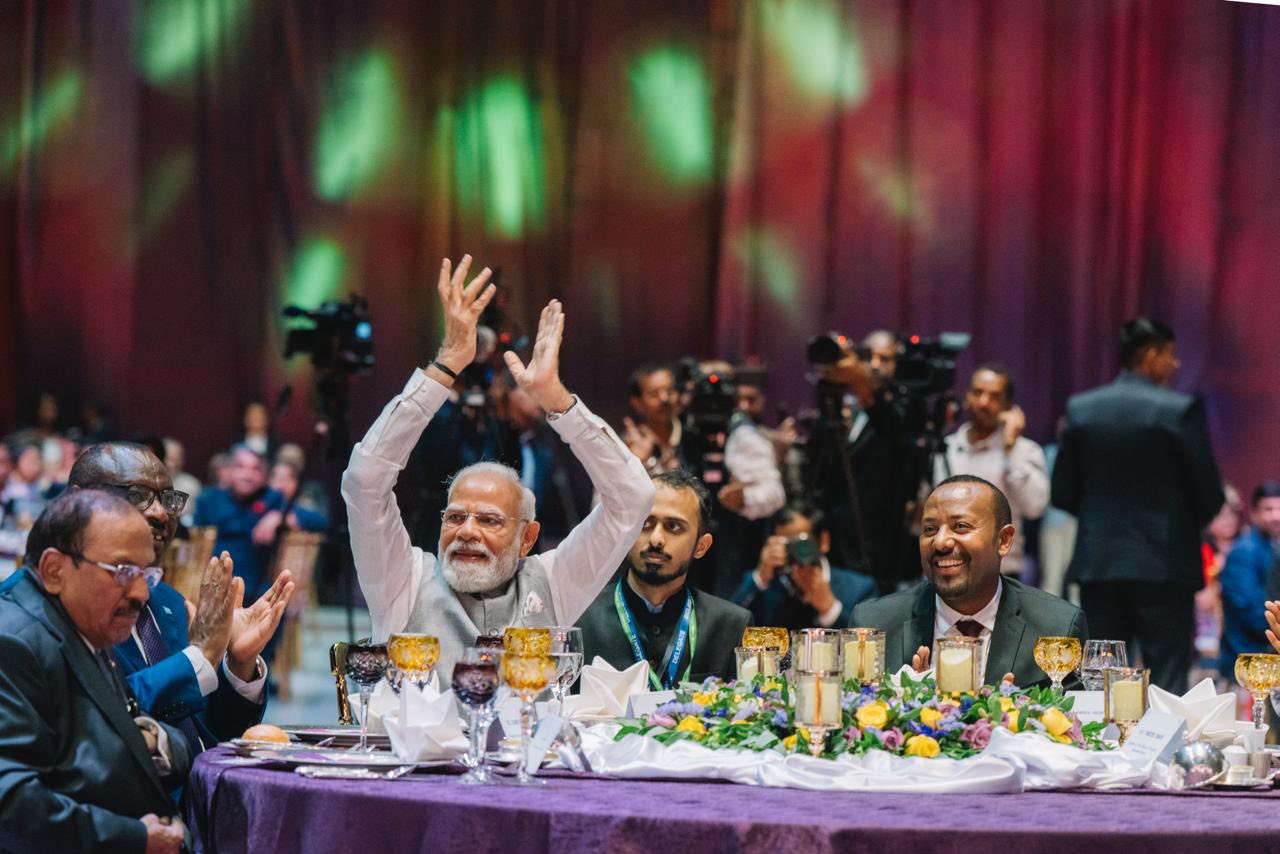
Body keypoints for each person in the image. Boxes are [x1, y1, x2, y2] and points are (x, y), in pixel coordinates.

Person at [341, 255, 654, 679]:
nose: (467, 531)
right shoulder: (403, 580)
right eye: (455, 517)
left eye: (489, 520)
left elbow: (633, 498)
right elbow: (365, 481)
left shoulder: (554, 581)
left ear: (528, 538)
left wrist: (557, 401)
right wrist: (447, 364)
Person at [61, 442, 289, 751]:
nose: (160, 513)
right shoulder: (61, 604)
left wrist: (238, 665)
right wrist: (200, 656)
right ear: (77, 501)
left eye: (167, 499)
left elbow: (210, 734)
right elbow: (100, 715)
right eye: (137, 495)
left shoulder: (169, 602)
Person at [0, 490, 188, 853]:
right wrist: (134, 838)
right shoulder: (13, 643)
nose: (141, 593)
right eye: (123, 572)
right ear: (55, 570)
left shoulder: (81, 624)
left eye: (145, 573)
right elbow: (9, 801)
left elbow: (136, 730)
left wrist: (150, 738)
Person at [1051, 318, 1223, 693]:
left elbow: (1062, 492)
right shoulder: (1178, 410)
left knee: (1097, 681)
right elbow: (1210, 494)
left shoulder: (1082, 409)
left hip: (1100, 563)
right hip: (1166, 565)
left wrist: (1101, 522)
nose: (1175, 364)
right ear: (1150, 354)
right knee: (1168, 683)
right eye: (1171, 355)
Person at [852, 475, 1087, 688]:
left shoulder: (1057, 629)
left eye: (961, 527)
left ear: (1004, 540)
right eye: (930, 529)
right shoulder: (874, 625)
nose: (940, 542)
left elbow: (1069, 721)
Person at [578, 469, 752, 684]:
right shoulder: (579, 618)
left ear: (701, 546)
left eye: (673, 527)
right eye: (645, 523)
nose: (656, 539)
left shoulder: (731, 625)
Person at [934, 364, 1049, 579]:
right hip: (946, 566)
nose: (984, 402)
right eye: (977, 393)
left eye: (994, 396)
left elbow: (1035, 507)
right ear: (966, 397)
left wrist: (1010, 448)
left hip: (1002, 571)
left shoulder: (1024, 450)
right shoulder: (944, 449)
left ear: (1008, 405)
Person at [194, 444, 326, 600]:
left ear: (264, 475)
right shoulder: (209, 499)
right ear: (229, 471)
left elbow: (320, 521)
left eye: (255, 469)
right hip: (215, 588)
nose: (247, 475)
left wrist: (280, 516)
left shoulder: (272, 498)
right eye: (240, 467)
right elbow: (192, 540)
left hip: (259, 590)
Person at [730, 501, 877, 630]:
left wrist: (830, 608)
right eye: (785, 544)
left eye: (801, 542)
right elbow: (729, 626)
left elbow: (869, 645)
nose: (793, 551)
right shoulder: (763, 587)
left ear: (824, 541)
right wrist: (760, 577)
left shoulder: (860, 588)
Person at [1219, 483, 1280, 673]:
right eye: (1268, 509)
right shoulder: (1244, 552)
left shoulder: (1272, 546)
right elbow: (1254, 614)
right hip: (1249, 662)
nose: (1276, 516)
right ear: (1254, 513)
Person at [621, 363, 681, 475]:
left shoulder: (694, 435)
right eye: (654, 394)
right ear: (637, 403)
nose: (664, 398)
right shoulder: (629, 444)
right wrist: (635, 464)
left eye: (670, 391)